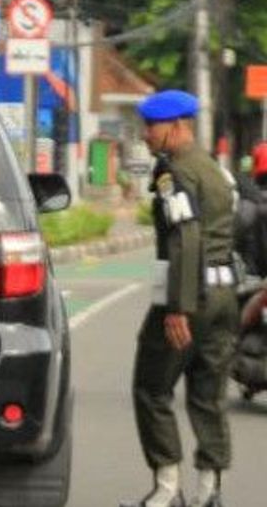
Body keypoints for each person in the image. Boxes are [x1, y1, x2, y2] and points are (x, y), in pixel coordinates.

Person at [121, 90, 239, 507]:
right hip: (225, 295)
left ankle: (167, 491)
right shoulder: (214, 170)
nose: (146, 136)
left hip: (190, 296)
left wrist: (178, 309)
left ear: (175, 126)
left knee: (152, 388)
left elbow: (186, 238)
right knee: (208, 395)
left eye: (151, 127)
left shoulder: (174, 174)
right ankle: (210, 493)